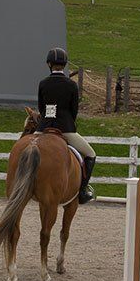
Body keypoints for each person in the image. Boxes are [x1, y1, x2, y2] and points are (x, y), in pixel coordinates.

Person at [37, 47, 96, 204]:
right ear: (64, 65)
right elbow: (73, 110)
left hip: (43, 128)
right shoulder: (71, 85)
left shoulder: (43, 84)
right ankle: (82, 191)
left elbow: (41, 108)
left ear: (49, 64)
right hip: (65, 129)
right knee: (91, 154)